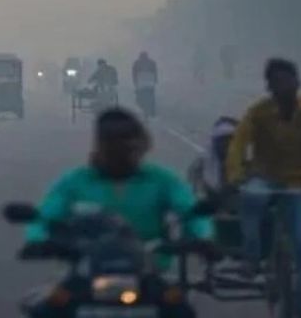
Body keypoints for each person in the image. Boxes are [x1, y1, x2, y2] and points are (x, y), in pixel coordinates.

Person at [225, 58, 301, 318]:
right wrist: (236, 175)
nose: (283, 87)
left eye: (287, 81)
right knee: (249, 200)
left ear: (298, 82)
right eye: (277, 82)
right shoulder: (258, 112)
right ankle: (252, 255)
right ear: (269, 87)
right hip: (266, 179)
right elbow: (238, 143)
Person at [25, 107, 212, 254]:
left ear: (141, 146)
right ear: (100, 146)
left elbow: (192, 212)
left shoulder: (162, 180)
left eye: (128, 145)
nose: (121, 152)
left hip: (149, 270)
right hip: (86, 270)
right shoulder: (76, 181)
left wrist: (203, 239)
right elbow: (46, 215)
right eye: (113, 145)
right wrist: (37, 240)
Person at [187, 116, 240, 210]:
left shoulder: (248, 166)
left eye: (232, 140)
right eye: (223, 140)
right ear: (215, 141)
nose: (227, 144)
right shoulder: (200, 166)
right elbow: (194, 195)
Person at [131, 51, 159, 116]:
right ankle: (152, 112)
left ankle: (146, 110)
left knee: (141, 97)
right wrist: (155, 80)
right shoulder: (152, 62)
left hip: (142, 83)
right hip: (148, 83)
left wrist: (135, 81)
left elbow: (134, 73)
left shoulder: (137, 63)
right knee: (151, 98)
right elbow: (155, 72)